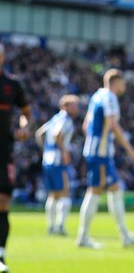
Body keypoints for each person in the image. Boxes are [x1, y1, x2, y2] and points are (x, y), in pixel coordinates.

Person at [77, 69, 134, 249]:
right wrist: (130, 150)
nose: (125, 86)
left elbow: (85, 125)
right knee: (95, 190)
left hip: (96, 150)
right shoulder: (110, 97)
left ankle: (125, 235)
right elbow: (113, 124)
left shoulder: (96, 96)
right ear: (116, 81)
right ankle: (83, 237)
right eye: (123, 82)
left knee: (115, 188)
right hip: (101, 152)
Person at [0, 45, 33, 273]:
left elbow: (26, 113)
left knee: (3, 202)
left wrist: (24, 126)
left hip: (4, 151)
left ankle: (0, 255)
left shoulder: (13, 85)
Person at [36, 94, 80, 237]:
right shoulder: (65, 119)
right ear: (65, 106)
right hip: (58, 161)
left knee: (53, 195)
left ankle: (51, 226)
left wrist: (46, 150)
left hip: (48, 159)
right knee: (65, 192)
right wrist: (64, 152)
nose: (77, 108)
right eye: (74, 105)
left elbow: (39, 133)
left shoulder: (54, 118)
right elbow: (57, 134)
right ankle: (60, 225)